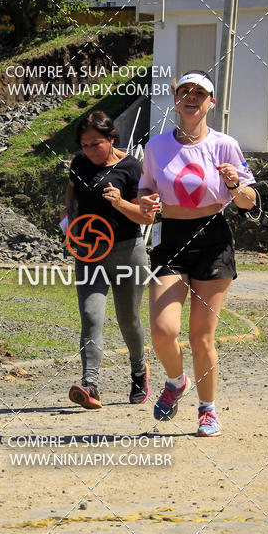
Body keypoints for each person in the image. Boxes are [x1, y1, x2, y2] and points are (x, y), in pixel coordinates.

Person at [138, 71, 256, 436]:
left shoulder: (225, 145)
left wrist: (235, 183)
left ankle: (208, 410)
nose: (191, 97)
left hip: (212, 238)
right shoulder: (156, 146)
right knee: (162, 330)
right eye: (184, 91)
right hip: (170, 238)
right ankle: (176, 382)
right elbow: (144, 188)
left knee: (201, 337)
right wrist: (145, 201)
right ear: (175, 99)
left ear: (211, 102)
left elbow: (249, 204)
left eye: (200, 92)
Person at [64, 111, 153, 410]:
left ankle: (139, 372)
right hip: (89, 253)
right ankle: (90, 384)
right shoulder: (79, 164)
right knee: (91, 316)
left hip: (128, 251)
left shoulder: (131, 167)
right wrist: (69, 220)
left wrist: (119, 202)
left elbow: (145, 215)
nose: (89, 151)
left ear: (111, 138)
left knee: (128, 320)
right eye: (85, 145)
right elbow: (72, 193)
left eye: (96, 144)